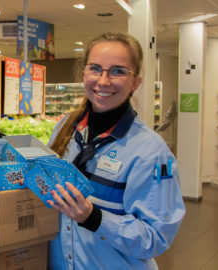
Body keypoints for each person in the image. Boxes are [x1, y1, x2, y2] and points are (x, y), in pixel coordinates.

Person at [47, 32, 185, 270]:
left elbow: (155, 238)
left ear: (135, 83)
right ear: (84, 74)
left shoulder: (151, 152)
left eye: (118, 71)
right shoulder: (65, 129)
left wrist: (94, 218)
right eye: (95, 69)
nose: (103, 81)